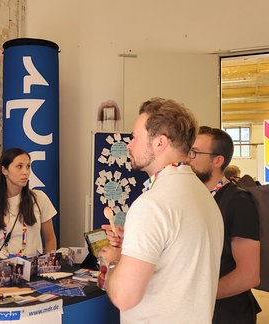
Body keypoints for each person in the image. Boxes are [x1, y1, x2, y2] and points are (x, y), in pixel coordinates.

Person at [98, 97, 224, 323]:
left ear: (160, 142)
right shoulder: (204, 196)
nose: (129, 144)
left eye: (135, 137)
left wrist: (115, 261)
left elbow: (124, 297)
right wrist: (134, 244)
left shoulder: (151, 204)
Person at [187, 126, 261, 323]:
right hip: (203, 310)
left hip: (229, 313)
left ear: (217, 160)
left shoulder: (238, 202)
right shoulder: (199, 198)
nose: (187, 158)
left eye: (194, 152)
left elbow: (249, 275)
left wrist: (197, 296)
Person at [0, 147, 57, 260]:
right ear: (4, 170)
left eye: (28, 166)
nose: (25, 172)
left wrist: (47, 266)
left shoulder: (39, 198)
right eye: (19, 166)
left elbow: (50, 239)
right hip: (1, 269)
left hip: (33, 268)